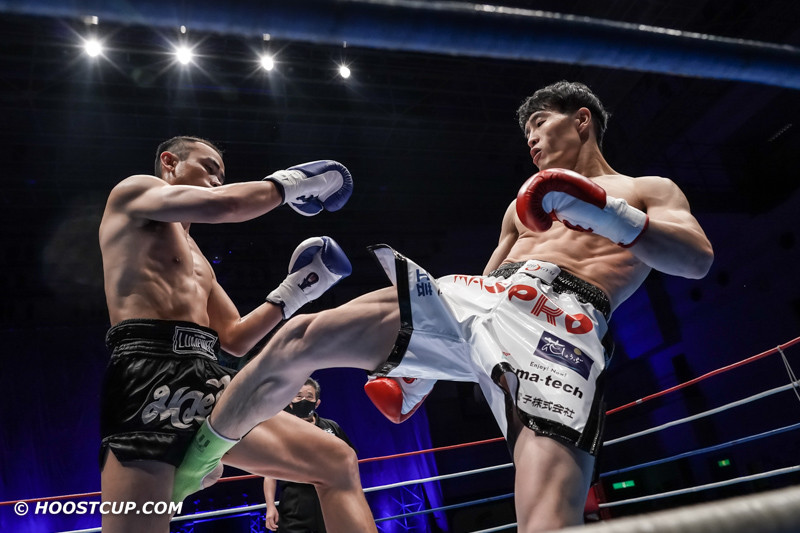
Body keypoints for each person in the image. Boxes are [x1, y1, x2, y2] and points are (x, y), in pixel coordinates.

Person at [174, 81, 714, 531]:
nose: (530, 138)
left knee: (548, 519)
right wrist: (423, 367)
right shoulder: (521, 204)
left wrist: (602, 211)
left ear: (581, 120)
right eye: (525, 131)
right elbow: (485, 289)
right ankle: (194, 463)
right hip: (492, 296)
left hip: (563, 326)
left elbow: (695, 259)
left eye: (540, 123)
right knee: (301, 336)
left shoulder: (646, 189)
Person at [98, 135, 376, 533]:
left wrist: (298, 290)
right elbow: (225, 205)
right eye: (208, 167)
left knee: (336, 460)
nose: (216, 179)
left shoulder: (198, 259)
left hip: (208, 377)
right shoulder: (134, 192)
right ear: (170, 162)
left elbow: (235, 336)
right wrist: (296, 183)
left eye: (221, 175)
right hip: (147, 377)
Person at [264, 378, 356, 533]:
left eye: (309, 396)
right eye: (298, 396)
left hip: (331, 498)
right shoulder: (281, 431)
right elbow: (269, 474)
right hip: (295, 501)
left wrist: (352, 496)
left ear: (317, 402)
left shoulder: (331, 427)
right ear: (290, 401)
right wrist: (270, 506)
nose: (303, 400)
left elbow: (351, 461)